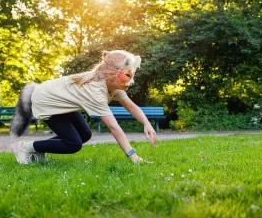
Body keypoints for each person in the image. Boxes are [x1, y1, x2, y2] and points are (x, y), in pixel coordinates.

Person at [9, 50, 156, 164]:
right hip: (47, 100)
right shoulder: (96, 91)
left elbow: (131, 107)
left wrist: (146, 123)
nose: (131, 82)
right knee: (73, 144)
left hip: (63, 101)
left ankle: (38, 150)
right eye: (127, 76)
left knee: (85, 135)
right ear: (111, 74)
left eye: (132, 75)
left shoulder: (114, 87)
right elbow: (114, 128)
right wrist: (133, 155)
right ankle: (24, 147)